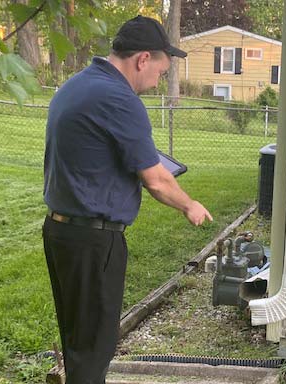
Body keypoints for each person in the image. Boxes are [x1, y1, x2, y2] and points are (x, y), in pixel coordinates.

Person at [42, 15, 213, 384]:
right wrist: (189, 205)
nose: (155, 83)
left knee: (78, 343)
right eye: (159, 72)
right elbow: (156, 180)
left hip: (60, 232)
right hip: (93, 241)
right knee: (94, 349)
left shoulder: (76, 85)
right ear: (142, 59)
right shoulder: (120, 99)